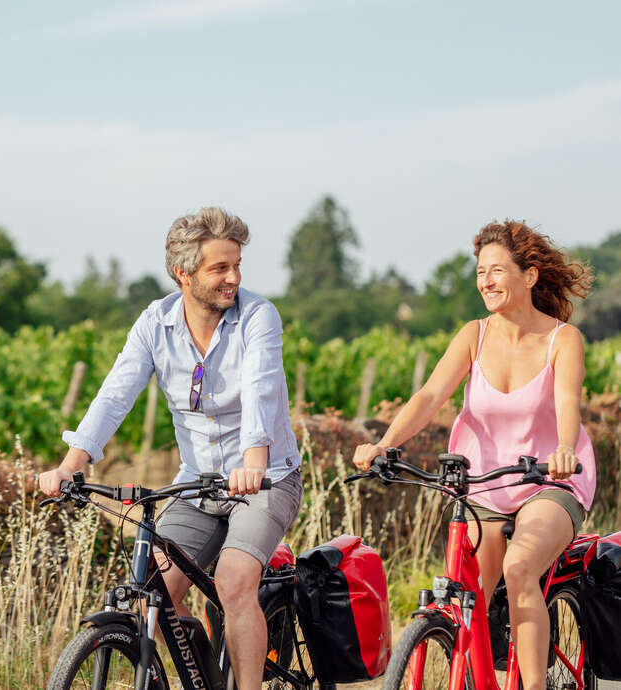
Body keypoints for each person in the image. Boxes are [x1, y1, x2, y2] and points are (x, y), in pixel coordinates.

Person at [40, 207, 302, 690]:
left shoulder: (257, 316)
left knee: (234, 580)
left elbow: (261, 390)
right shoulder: (155, 324)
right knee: (151, 596)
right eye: (219, 268)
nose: (233, 278)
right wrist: (71, 464)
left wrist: (254, 462)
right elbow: (115, 394)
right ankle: (204, 677)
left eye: (237, 265)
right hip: (197, 483)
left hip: (265, 479)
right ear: (182, 273)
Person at [353, 220, 595, 690]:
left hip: (550, 479)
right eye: (480, 270)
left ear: (529, 276)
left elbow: (568, 403)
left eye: (497, 269)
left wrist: (565, 449)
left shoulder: (562, 340)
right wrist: (385, 444)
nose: (485, 280)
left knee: (520, 566)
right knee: (470, 598)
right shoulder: (474, 335)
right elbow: (428, 396)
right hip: (485, 483)